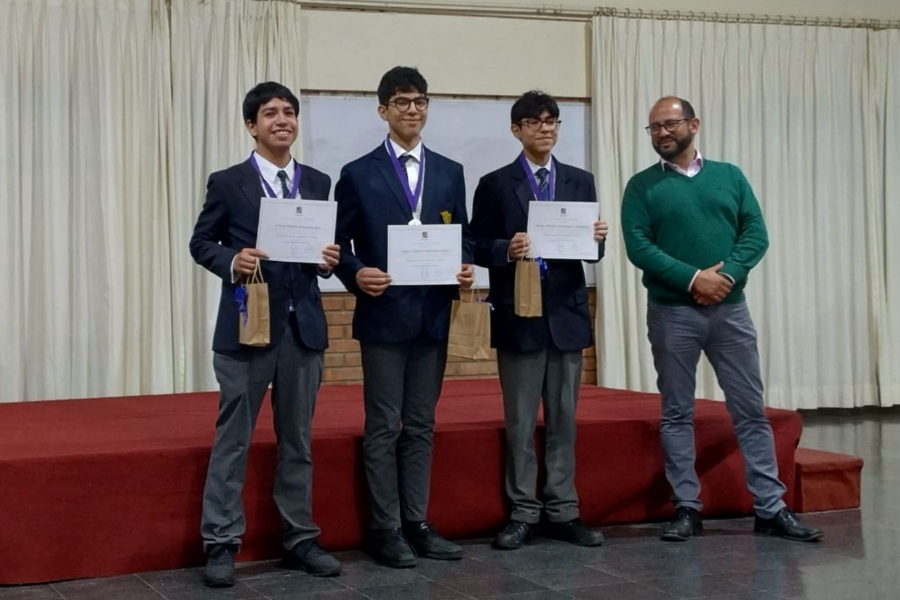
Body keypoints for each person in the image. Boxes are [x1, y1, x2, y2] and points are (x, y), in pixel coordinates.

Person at [621, 96, 823, 543]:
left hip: (730, 311)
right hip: (672, 314)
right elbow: (639, 248)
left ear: (693, 124)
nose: (662, 133)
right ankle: (687, 507)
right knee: (677, 412)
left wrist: (726, 276)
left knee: (750, 410)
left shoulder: (730, 176)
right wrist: (695, 279)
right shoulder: (641, 187)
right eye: (654, 127)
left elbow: (755, 234)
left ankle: (770, 508)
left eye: (670, 124)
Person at [189, 82, 343, 587]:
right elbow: (200, 242)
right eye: (271, 113)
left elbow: (318, 251)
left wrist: (328, 260)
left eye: (290, 112)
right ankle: (221, 542)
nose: (283, 120)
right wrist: (231, 259)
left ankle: (300, 539)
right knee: (233, 440)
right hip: (246, 325)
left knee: (297, 441)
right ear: (251, 125)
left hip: (303, 329)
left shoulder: (317, 181)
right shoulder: (228, 182)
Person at [333, 66, 475, 568]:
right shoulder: (357, 173)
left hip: (433, 315)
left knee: (420, 424)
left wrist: (464, 265)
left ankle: (417, 522)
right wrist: (357, 273)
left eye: (419, 101)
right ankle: (385, 528)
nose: (412, 110)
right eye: (401, 102)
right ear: (383, 110)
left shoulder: (450, 171)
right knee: (382, 425)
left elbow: (464, 234)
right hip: (383, 314)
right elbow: (338, 243)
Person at [470, 91, 608, 550]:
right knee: (521, 421)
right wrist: (505, 249)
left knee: (564, 418)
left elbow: (591, 252)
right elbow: (476, 244)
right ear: (517, 130)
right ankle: (523, 511)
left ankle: (563, 509)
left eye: (552, 121)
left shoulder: (579, 181)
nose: (545, 129)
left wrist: (598, 239)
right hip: (519, 314)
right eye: (534, 122)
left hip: (566, 312)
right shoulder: (495, 183)